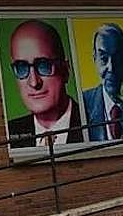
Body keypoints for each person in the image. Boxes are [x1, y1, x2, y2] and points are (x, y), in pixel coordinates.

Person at [5, 19, 83, 148]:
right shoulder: (10, 132)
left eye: (43, 65)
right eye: (22, 67)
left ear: (65, 70)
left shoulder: (96, 123)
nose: (34, 82)